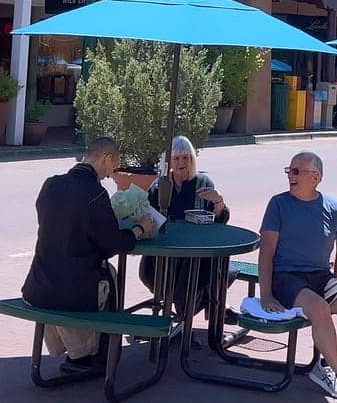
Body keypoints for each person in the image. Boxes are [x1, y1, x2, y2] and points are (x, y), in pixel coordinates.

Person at [22, 137, 156, 375]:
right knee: (110, 279)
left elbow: (62, 228)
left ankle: (75, 350)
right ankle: (92, 356)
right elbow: (113, 245)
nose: (110, 174)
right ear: (107, 158)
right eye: (113, 166)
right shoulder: (94, 194)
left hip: (38, 286)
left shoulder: (50, 185)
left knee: (87, 275)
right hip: (71, 291)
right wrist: (140, 230)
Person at [260, 151, 337, 403]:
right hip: (286, 278)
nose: (290, 176)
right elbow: (266, 251)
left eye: (296, 171)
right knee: (319, 307)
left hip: (322, 278)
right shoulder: (278, 204)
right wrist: (266, 294)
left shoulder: (335, 208)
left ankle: (324, 365)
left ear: (315, 177)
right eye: (289, 171)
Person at [139, 136, 231, 313]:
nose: (182, 162)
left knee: (192, 277)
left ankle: (185, 316)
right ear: (169, 161)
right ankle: (185, 313)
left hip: (196, 252)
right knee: (155, 274)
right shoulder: (160, 185)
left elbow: (221, 221)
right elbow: (147, 213)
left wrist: (218, 200)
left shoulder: (203, 183)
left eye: (186, 157)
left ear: (192, 159)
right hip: (165, 252)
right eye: (177, 158)